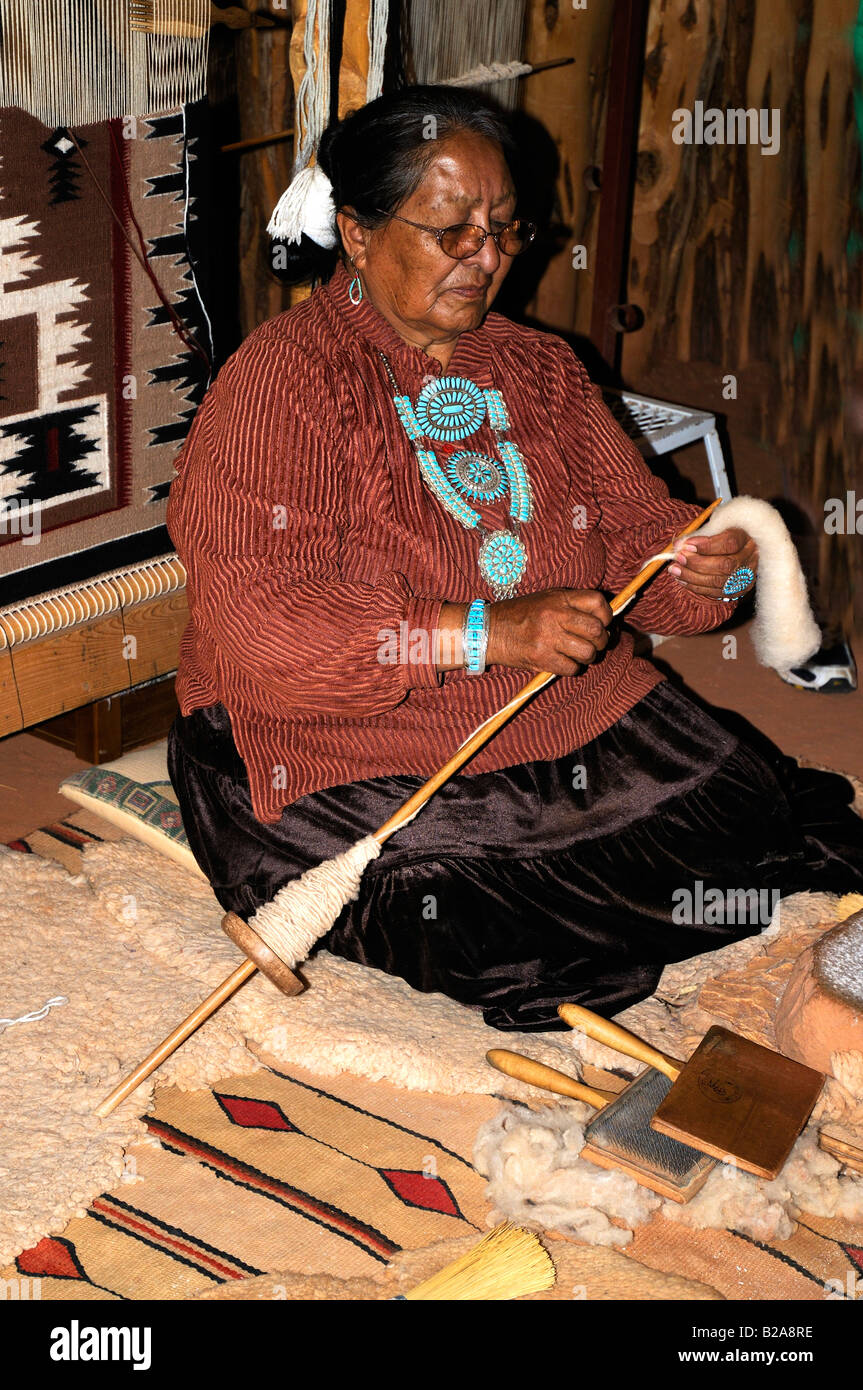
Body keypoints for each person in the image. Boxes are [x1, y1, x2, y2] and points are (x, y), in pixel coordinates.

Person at [166, 86, 863, 1031]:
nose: (485, 259)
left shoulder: (541, 369)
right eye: (450, 230)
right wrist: (485, 634)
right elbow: (263, 628)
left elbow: (634, 542)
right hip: (346, 742)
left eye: (502, 230)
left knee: (740, 803)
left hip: (558, 707)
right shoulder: (283, 380)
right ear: (359, 234)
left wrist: (708, 570)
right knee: (456, 907)